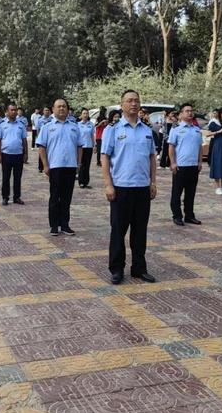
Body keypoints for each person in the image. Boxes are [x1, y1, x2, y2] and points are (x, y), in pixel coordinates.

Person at [101, 90, 157, 285]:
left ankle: (139, 268)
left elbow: (152, 157)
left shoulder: (147, 130)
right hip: (121, 187)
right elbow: (105, 157)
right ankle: (117, 269)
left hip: (142, 187)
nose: (133, 104)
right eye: (129, 101)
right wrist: (108, 184)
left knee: (140, 231)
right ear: (122, 104)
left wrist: (153, 181)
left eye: (136, 100)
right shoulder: (113, 130)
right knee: (118, 230)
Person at [37, 98, 83, 235]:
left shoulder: (74, 127)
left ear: (68, 109)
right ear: (53, 109)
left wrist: (79, 163)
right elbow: (41, 147)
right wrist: (45, 165)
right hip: (55, 166)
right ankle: (54, 226)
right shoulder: (47, 127)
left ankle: (65, 225)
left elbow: (80, 146)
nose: (62, 109)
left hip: (70, 166)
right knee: (54, 196)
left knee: (67, 197)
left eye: (64, 106)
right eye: (59, 107)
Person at [168, 103, 204, 226]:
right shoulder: (176, 129)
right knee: (177, 192)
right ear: (181, 114)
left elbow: (199, 147)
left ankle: (189, 215)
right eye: (187, 111)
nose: (189, 113)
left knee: (191, 193)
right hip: (180, 166)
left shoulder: (197, 130)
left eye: (191, 111)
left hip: (193, 166)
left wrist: (200, 161)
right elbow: (171, 147)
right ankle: (177, 215)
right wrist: (172, 163)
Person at [0, 103, 28, 205]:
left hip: (18, 154)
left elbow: (24, 140)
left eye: (15, 110)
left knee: (17, 178)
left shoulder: (21, 124)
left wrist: (25, 154)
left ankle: (17, 197)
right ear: (7, 111)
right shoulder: (2, 124)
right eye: (12, 110)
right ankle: (5, 197)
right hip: (6, 154)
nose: (14, 112)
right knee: (6, 177)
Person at [77, 108, 95, 188]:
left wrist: (94, 145)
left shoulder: (91, 124)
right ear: (81, 115)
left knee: (87, 165)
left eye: (86, 113)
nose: (85, 115)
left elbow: (92, 136)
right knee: (81, 164)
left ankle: (86, 182)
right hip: (81, 147)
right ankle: (80, 181)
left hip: (89, 147)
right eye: (84, 113)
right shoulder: (78, 125)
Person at [36, 107, 51, 172]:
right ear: (43, 111)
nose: (47, 111)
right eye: (45, 110)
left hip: (50, 138)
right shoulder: (40, 119)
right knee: (41, 152)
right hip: (42, 138)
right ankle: (40, 167)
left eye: (48, 110)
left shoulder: (52, 119)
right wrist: (38, 138)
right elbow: (38, 129)